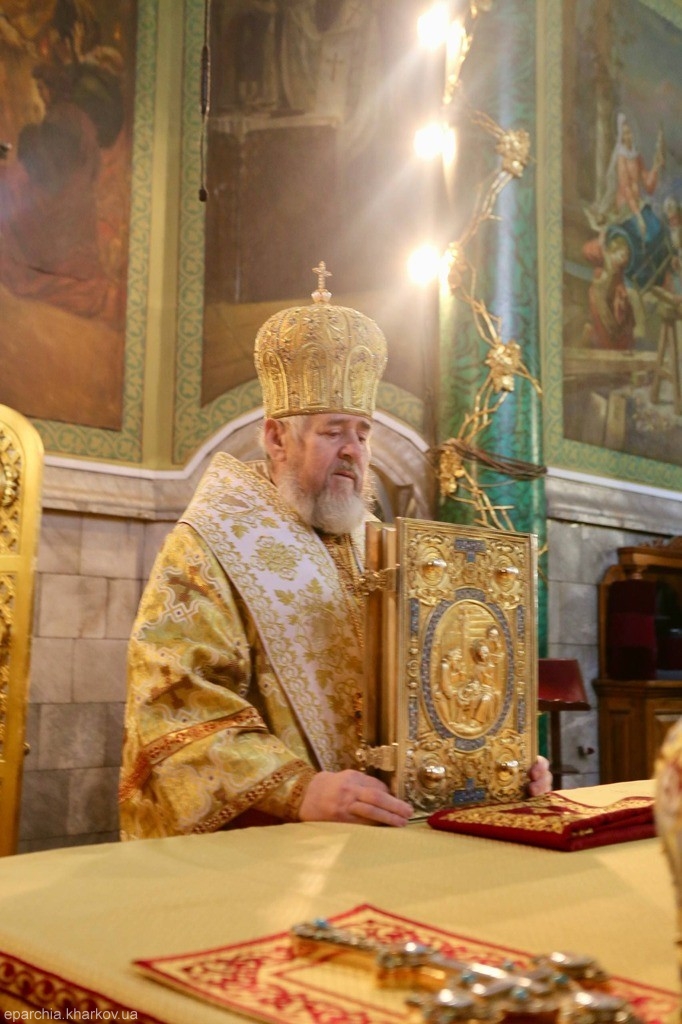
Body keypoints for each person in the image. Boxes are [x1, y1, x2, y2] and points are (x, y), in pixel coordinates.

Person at [119, 264, 552, 839]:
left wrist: (492, 761)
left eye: (363, 434)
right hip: (275, 843)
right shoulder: (210, 544)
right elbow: (174, 705)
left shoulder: (379, 547)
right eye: (333, 431)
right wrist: (299, 790)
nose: (353, 450)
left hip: (389, 830)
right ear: (276, 438)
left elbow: (433, 687)